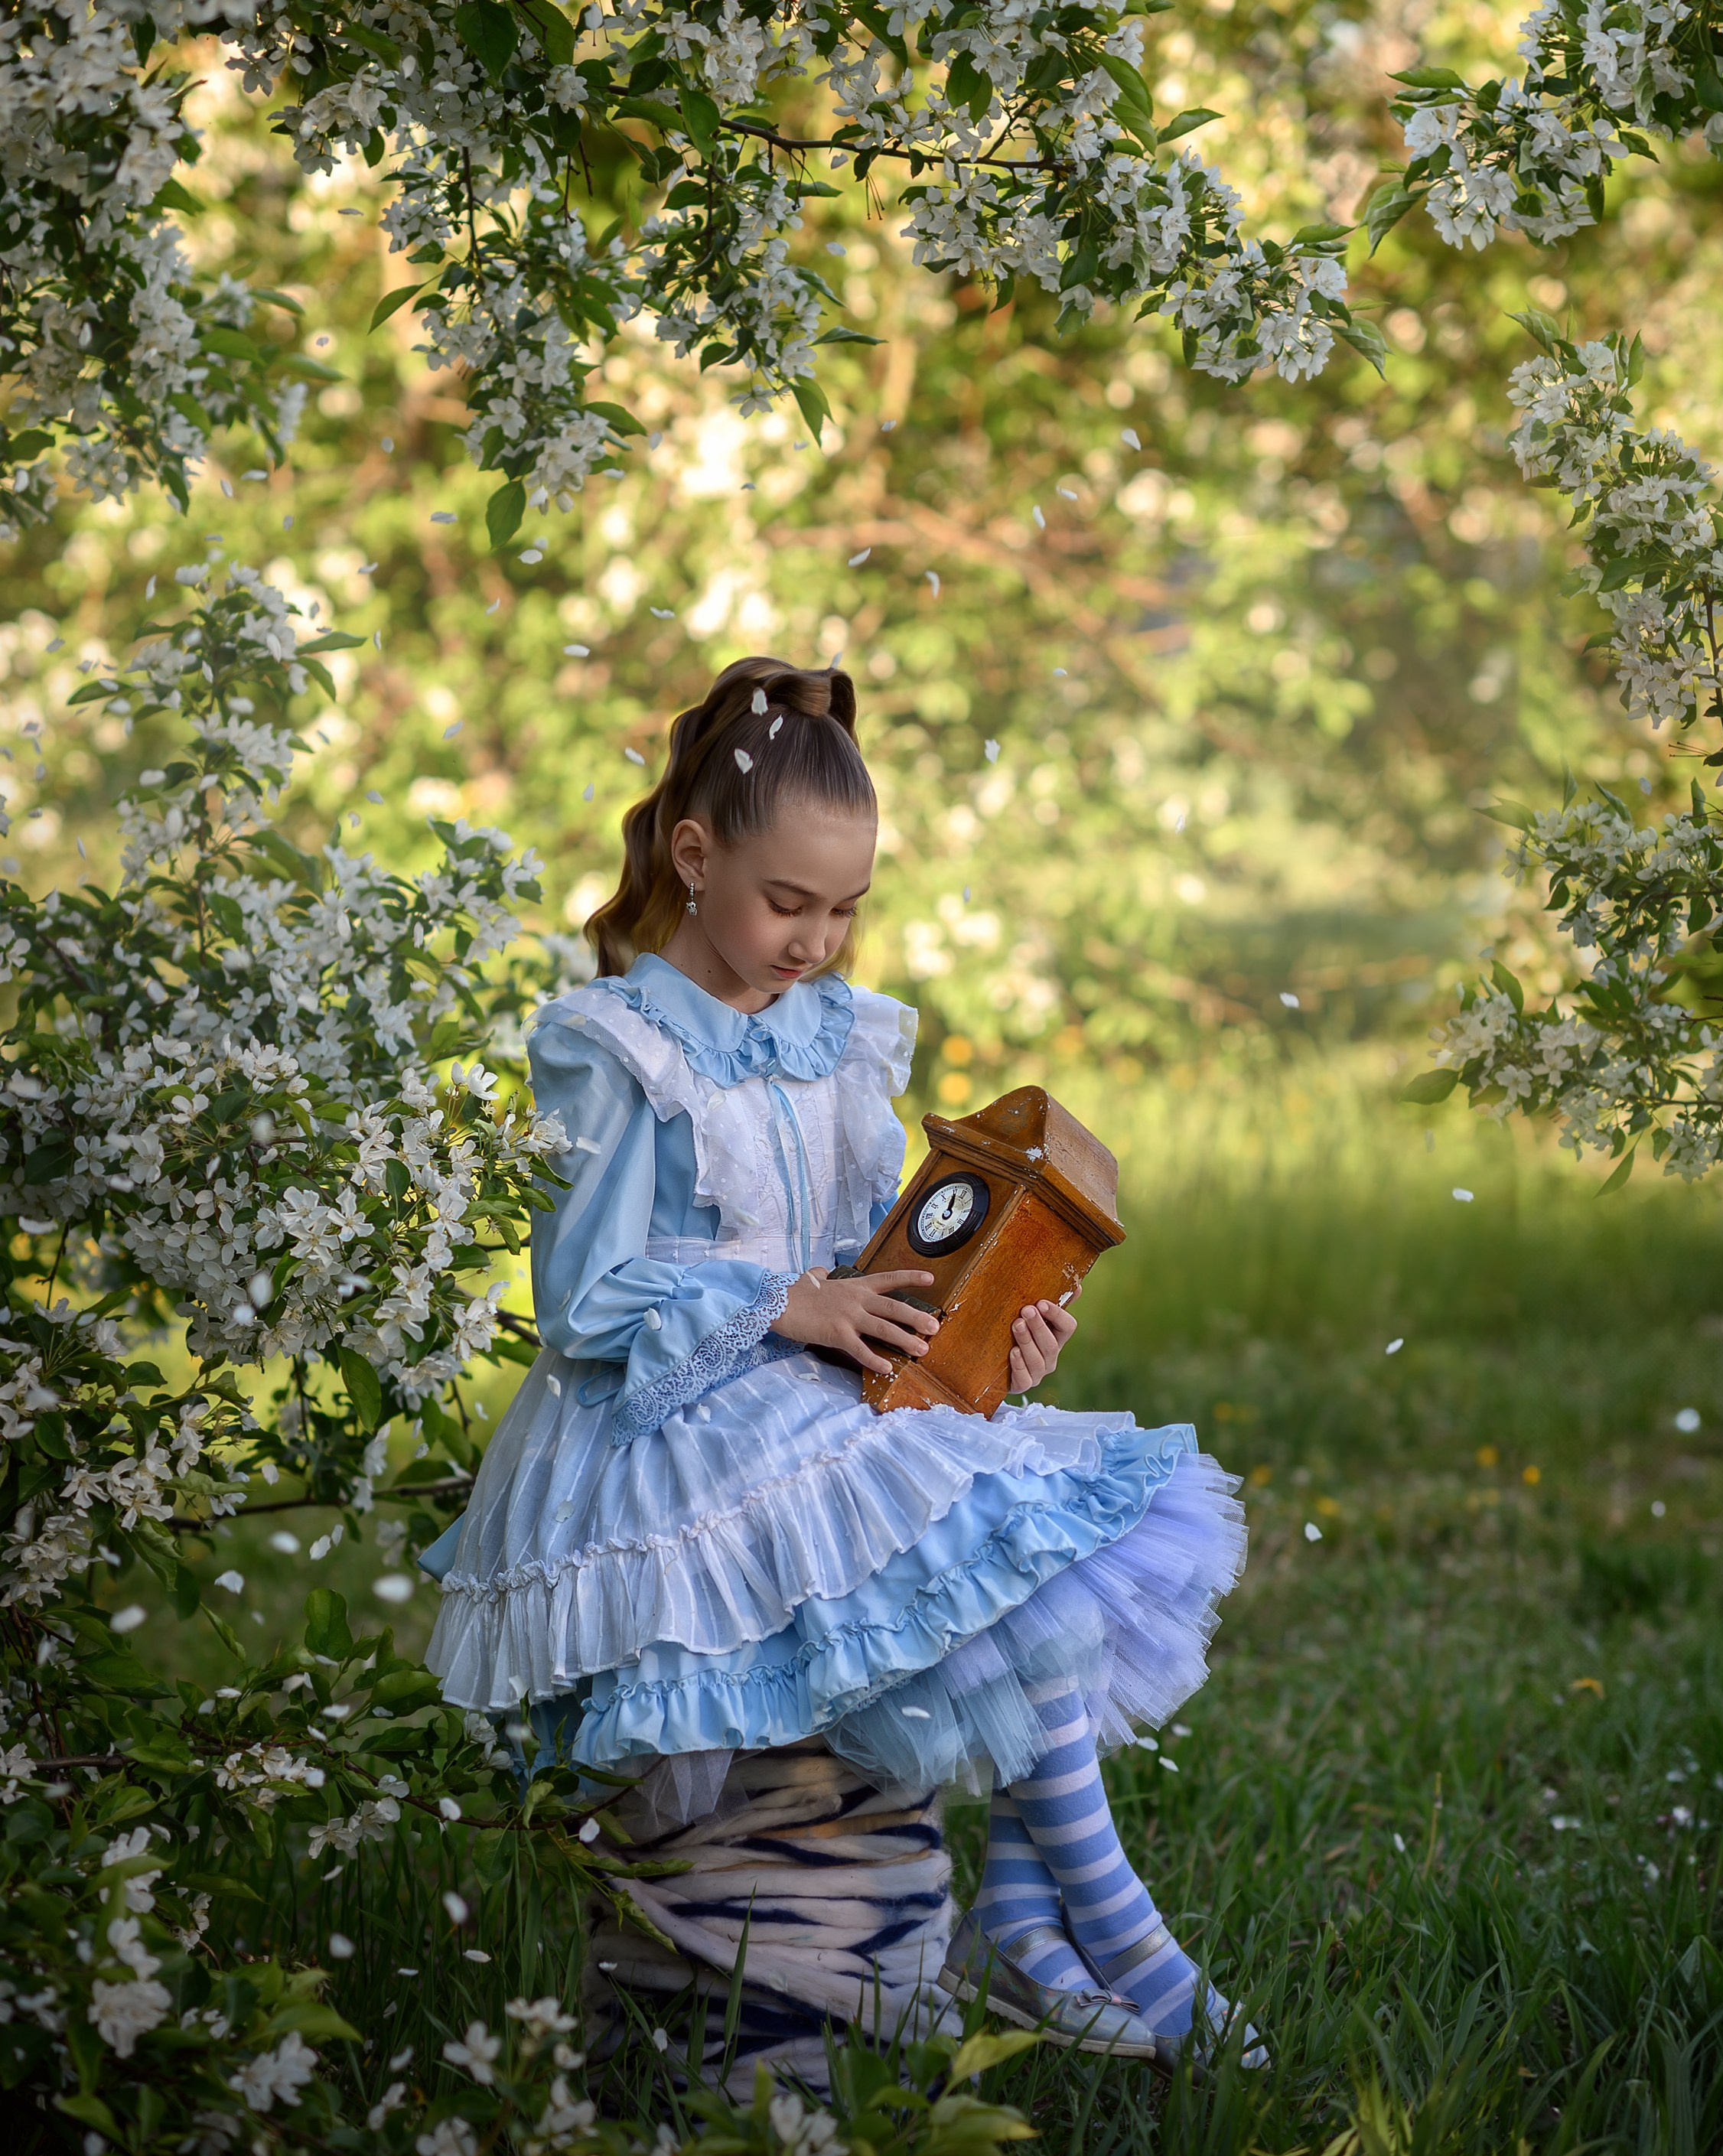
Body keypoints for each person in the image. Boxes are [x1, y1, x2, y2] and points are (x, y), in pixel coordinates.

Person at [422, 657, 1258, 2073]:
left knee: (1027, 1513)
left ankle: (1053, 1918)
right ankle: (1063, 1932)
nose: (817, 940)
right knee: (973, 1524)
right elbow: (581, 1296)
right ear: (695, 857)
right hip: (668, 1418)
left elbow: (890, 1249)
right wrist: (791, 1304)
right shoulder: (613, 1044)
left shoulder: (838, 1035)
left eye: (846, 907)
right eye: (787, 903)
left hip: (826, 1386)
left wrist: (992, 1331)